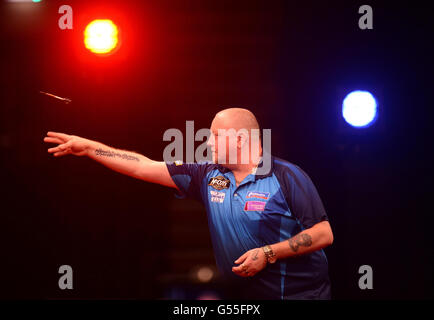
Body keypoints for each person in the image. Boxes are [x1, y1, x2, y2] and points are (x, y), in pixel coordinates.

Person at [43, 107, 333, 299]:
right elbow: (141, 166)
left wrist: (269, 253)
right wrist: (90, 147)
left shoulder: (287, 176)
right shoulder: (207, 175)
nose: (209, 143)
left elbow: (323, 233)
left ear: (242, 139)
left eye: (216, 136)